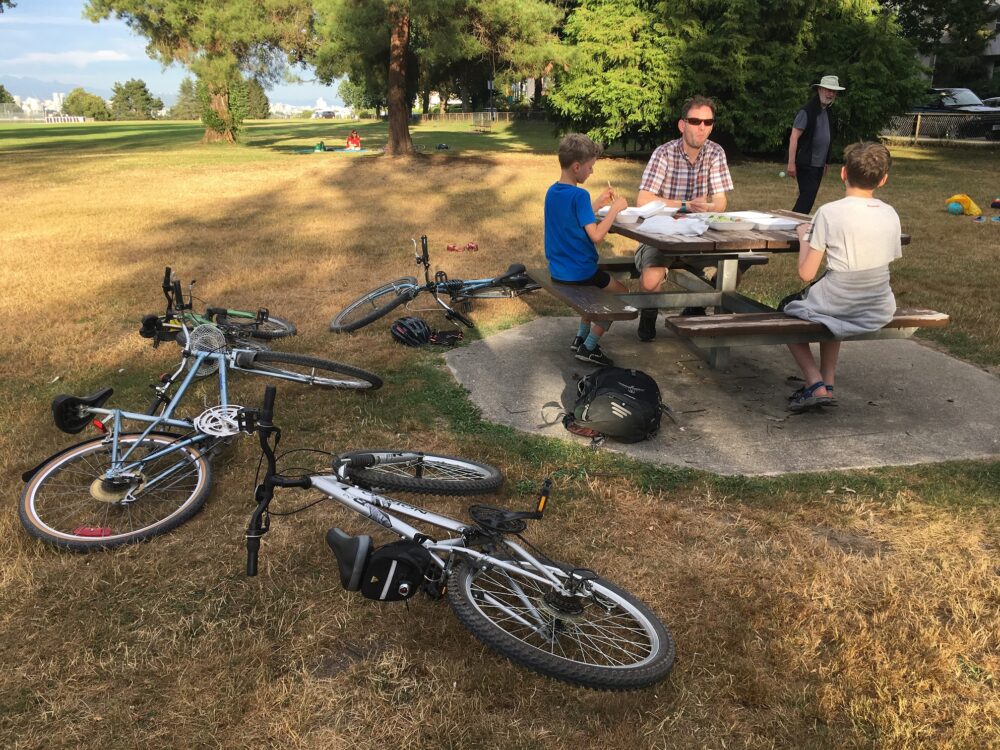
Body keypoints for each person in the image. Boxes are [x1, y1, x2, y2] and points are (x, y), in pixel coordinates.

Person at [781, 141, 902, 412]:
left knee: (786, 314)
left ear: (843, 173)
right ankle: (829, 380)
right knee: (829, 309)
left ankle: (815, 383)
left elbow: (806, 273)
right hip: (876, 306)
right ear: (883, 180)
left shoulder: (829, 212)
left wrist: (804, 237)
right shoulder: (890, 214)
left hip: (839, 303)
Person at [633, 95, 734, 341]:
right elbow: (643, 200)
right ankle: (649, 313)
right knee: (649, 279)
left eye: (708, 122)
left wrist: (709, 207)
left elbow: (721, 202)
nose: (702, 127)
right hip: (661, 235)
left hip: (699, 237)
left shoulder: (715, 152)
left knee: (731, 275)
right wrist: (686, 205)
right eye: (695, 120)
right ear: (682, 125)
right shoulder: (664, 153)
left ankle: (697, 308)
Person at [544, 133, 628, 367]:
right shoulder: (580, 194)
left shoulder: (553, 191)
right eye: (590, 168)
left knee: (595, 294)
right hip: (581, 272)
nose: (592, 172)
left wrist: (598, 204)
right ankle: (589, 346)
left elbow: (572, 220)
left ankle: (580, 337)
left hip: (559, 270)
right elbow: (597, 236)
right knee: (621, 294)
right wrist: (614, 209)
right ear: (577, 166)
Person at [787, 75, 845, 214]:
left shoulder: (828, 112)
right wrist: (791, 163)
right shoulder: (806, 111)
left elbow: (827, 137)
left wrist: (826, 162)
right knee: (807, 198)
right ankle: (793, 223)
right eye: (827, 90)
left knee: (808, 198)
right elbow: (794, 137)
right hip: (806, 164)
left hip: (819, 165)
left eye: (833, 91)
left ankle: (795, 223)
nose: (830, 94)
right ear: (819, 89)